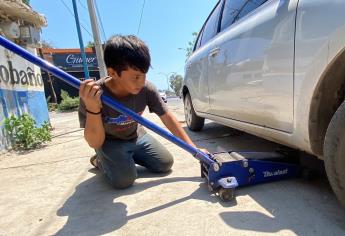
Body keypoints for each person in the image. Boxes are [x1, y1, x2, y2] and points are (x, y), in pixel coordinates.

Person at [78, 35, 207, 189]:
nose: (141, 82)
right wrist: (92, 108)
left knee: (165, 163)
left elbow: (168, 118)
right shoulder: (93, 95)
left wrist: (194, 150)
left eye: (144, 75)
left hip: (136, 136)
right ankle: (101, 160)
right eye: (136, 76)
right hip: (109, 141)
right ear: (113, 73)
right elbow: (94, 142)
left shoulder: (146, 89)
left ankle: (124, 159)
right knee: (124, 181)